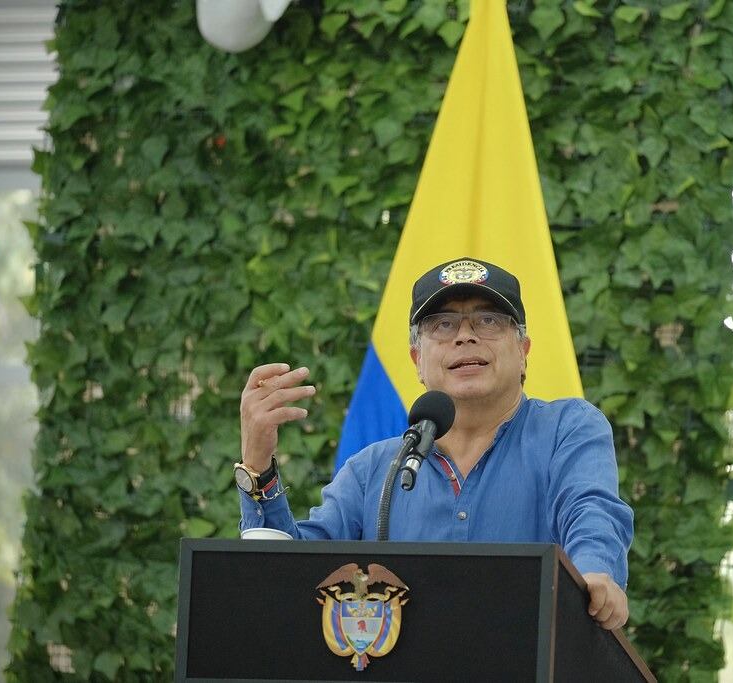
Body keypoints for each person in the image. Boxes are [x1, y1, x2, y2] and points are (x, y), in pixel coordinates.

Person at [236, 257, 634, 629]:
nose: (465, 337)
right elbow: (292, 574)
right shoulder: (374, 469)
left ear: (523, 351)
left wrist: (594, 574)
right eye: (443, 325)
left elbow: (592, 510)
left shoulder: (568, 428)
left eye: (489, 320)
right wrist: (258, 463)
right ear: (417, 360)